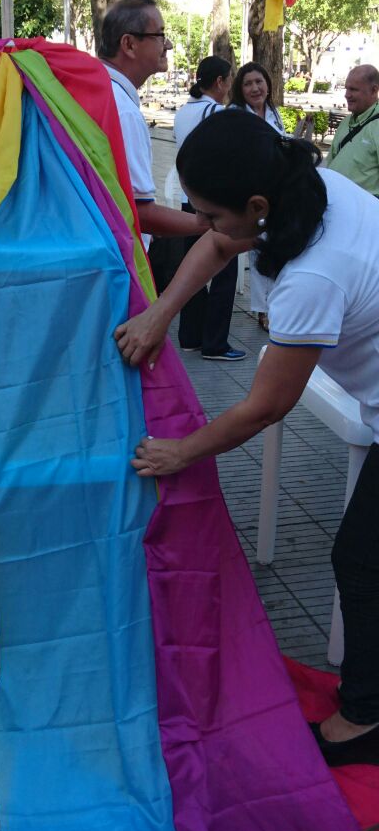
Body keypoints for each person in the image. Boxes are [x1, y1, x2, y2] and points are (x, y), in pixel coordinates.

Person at [117, 108, 379, 768]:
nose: (203, 225)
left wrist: (181, 451)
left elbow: (266, 407)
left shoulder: (315, 274)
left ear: (256, 206)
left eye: (210, 212)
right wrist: (159, 313)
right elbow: (220, 243)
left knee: (361, 559)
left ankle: (365, 717)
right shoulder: (302, 189)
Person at [98, 0, 209, 254]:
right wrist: (210, 224)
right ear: (129, 44)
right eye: (159, 35)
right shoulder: (123, 111)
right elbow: (140, 213)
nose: (167, 44)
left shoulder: (101, 91)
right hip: (117, 258)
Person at [172, 55, 245, 362]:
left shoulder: (183, 112)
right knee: (224, 271)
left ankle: (190, 336)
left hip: (188, 200)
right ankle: (215, 344)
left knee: (193, 270)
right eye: (230, 79)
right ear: (219, 82)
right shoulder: (216, 112)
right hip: (216, 204)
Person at [230, 62, 286, 330]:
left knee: (277, 249)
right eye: (248, 84)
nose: (255, 88)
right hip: (251, 194)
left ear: (268, 84)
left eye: (259, 82)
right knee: (259, 250)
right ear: (240, 89)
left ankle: (277, 305)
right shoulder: (235, 115)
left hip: (277, 192)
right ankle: (264, 310)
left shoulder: (273, 112)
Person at [325, 64, 379, 196]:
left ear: (374, 90)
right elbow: (331, 160)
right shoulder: (345, 122)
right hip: (334, 200)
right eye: (346, 88)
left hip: (365, 206)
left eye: (353, 89)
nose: (347, 95)